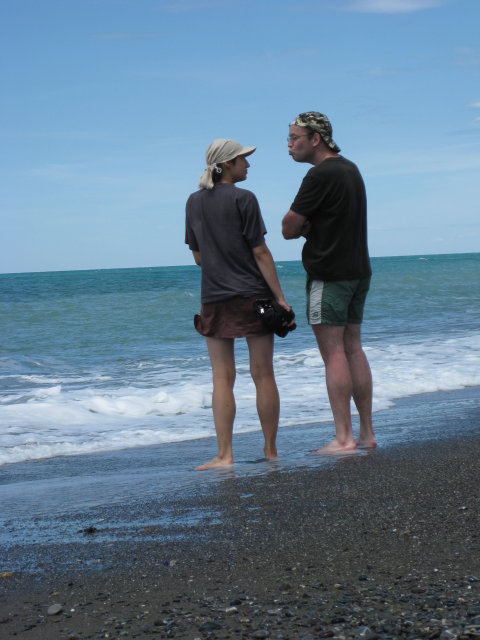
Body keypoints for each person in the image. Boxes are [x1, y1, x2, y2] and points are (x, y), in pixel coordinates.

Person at [185, 138, 293, 470]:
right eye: (243, 159)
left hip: (214, 297)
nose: (248, 164)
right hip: (253, 296)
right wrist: (280, 298)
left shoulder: (193, 202)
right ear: (227, 164)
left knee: (221, 377)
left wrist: (221, 269)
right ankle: (271, 451)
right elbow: (260, 252)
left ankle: (224, 455)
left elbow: (198, 256)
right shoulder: (244, 198)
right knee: (263, 374)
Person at [282, 112, 376, 454]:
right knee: (353, 348)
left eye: (295, 138)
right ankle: (365, 433)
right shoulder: (351, 169)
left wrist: (304, 227)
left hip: (330, 274)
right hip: (358, 270)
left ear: (315, 138)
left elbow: (288, 228)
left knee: (334, 352)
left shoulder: (319, 175)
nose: (289, 145)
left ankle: (343, 438)